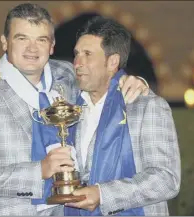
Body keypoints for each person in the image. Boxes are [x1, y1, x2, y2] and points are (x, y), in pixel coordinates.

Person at [0, 3, 149, 216]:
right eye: (22, 38)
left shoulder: (66, 74)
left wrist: (132, 81)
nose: (32, 49)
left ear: (52, 45)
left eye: (41, 39)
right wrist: (39, 170)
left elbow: (101, 77)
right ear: (5, 42)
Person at [62, 16, 181, 216]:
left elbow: (166, 179)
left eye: (87, 54)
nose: (77, 63)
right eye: (76, 54)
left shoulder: (147, 107)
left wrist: (103, 194)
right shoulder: (70, 107)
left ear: (112, 62)